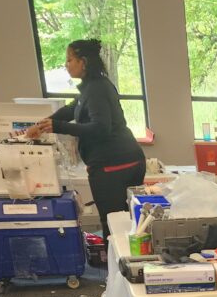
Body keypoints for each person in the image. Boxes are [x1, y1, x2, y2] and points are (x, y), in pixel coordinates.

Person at [25, 38, 145, 242]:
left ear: (84, 62)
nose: (66, 64)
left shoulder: (97, 89)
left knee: (113, 222)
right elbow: (73, 108)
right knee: (126, 220)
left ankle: (117, 268)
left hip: (113, 164)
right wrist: (45, 123)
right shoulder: (92, 87)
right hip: (125, 159)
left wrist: (57, 127)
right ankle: (123, 263)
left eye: (70, 59)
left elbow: (101, 128)